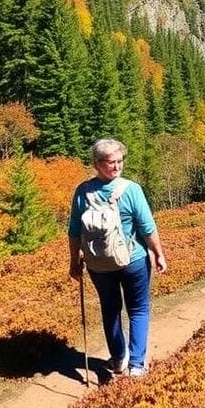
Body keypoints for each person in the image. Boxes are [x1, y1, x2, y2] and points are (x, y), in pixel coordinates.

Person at [68, 139, 167, 378]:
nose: (117, 166)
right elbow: (147, 226)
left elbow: (74, 231)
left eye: (120, 161)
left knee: (110, 309)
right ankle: (136, 364)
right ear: (97, 164)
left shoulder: (83, 191)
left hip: (98, 264)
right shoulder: (131, 190)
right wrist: (158, 253)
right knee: (139, 309)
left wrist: (75, 261)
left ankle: (118, 359)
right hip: (132, 260)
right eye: (112, 162)